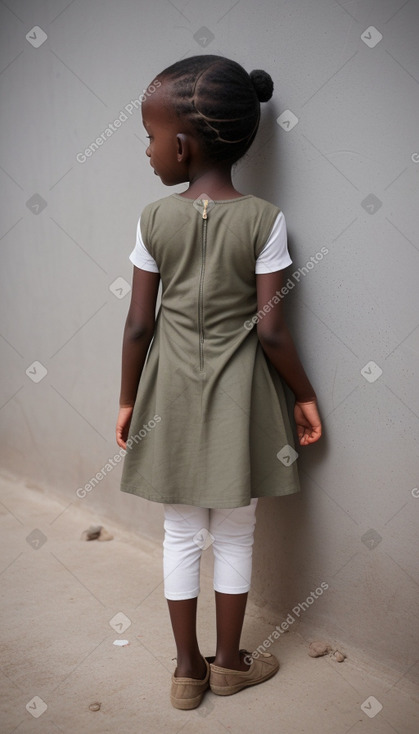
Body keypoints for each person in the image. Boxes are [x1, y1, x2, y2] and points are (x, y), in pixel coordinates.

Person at [116, 54, 322, 710]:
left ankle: (186, 672)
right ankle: (230, 662)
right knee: (235, 533)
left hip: (168, 401)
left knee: (181, 534)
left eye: (149, 137)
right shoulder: (264, 219)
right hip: (244, 404)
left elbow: (136, 326)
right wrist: (304, 394)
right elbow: (270, 331)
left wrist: (126, 400)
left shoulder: (153, 219)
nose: (147, 151)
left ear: (180, 145)